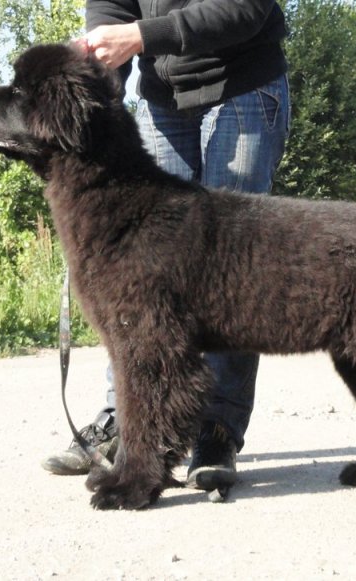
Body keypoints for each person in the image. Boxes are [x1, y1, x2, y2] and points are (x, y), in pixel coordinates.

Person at [41, 0, 290, 492]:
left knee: (231, 270)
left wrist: (140, 36)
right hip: (164, 100)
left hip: (241, 86)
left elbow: (246, 8)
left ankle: (216, 431)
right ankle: (126, 424)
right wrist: (92, 69)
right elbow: (110, 7)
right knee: (134, 281)